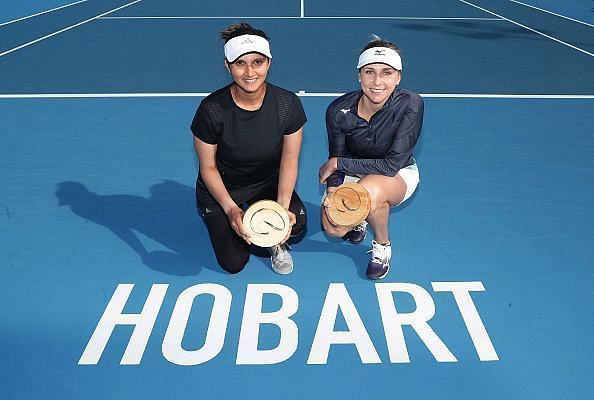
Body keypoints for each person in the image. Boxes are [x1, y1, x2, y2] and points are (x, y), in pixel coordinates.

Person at [190, 23, 307, 275]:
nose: (249, 72)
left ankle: (275, 241)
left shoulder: (288, 105)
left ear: (269, 63)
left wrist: (281, 209)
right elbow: (208, 167)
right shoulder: (211, 110)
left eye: (257, 62)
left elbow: (289, 160)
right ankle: (230, 217)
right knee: (233, 263)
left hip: (265, 181)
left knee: (297, 223)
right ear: (227, 66)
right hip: (224, 186)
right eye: (240, 63)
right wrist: (232, 210)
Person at [319, 35, 423, 280]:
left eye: (386, 73)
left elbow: (391, 164)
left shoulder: (410, 104)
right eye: (369, 72)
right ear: (359, 75)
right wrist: (334, 188)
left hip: (397, 174)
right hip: (354, 172)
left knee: (369, 192)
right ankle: (360, 218)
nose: (377, 81)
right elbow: (337, 153)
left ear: (398, 77)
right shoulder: (338, 110)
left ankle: (382, 245)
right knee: (333, 228)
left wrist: (339, 164)